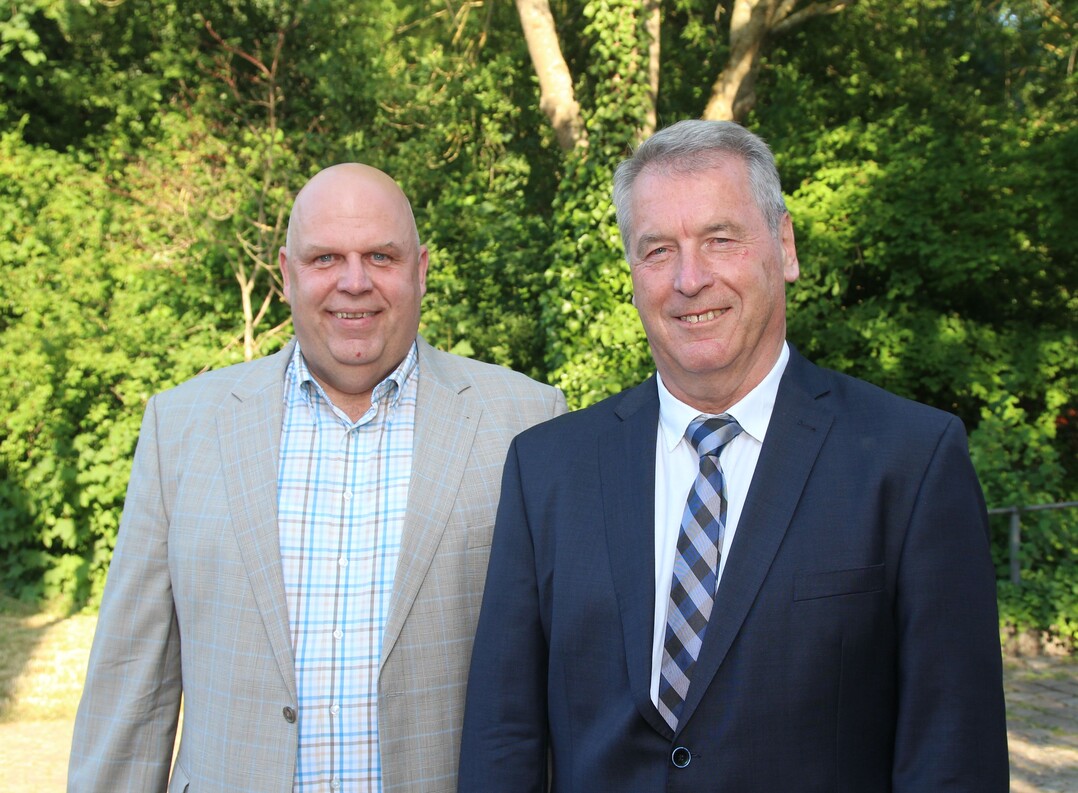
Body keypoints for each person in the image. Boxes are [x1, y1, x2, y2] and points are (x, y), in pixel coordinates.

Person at [458, 120, 1009, 791]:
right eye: (658, 250)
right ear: (632, 274)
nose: (690, 278)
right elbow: (502, 736)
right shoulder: (547, 471)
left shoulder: (910, 462)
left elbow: (953, 751)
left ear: (784, 246)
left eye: (720, 239)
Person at [68, 163, 566, 793]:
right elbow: (130, 685)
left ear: (422, 268)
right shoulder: (181, 427)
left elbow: (566, 688)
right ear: (286, 274)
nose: (353, 282)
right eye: (325, 257)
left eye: (381, 256)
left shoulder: (526, 421)